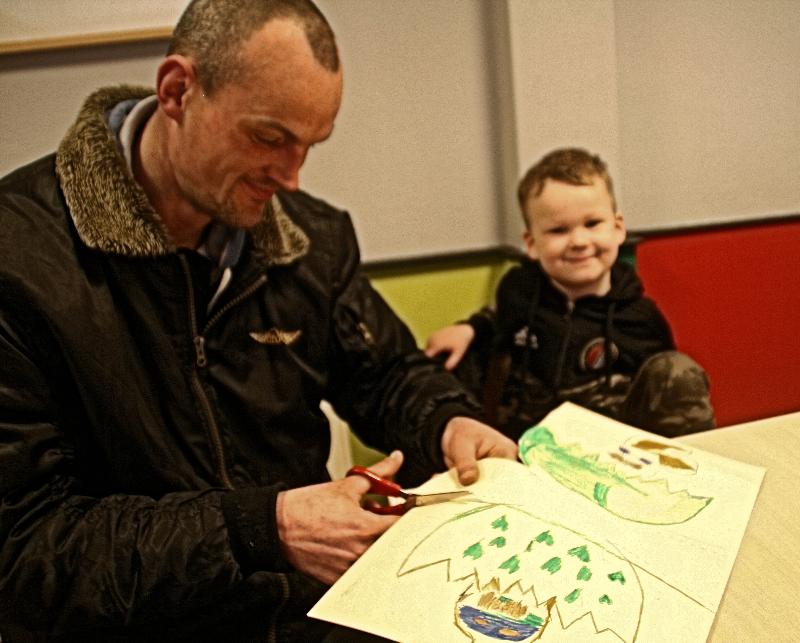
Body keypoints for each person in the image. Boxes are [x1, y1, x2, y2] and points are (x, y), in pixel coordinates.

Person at [0, 1, 517, 641]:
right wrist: (260, 530)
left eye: (310, 145)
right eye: (270, 138)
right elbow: (24, 550)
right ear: (177, 91)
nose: (293, 178)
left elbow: (384, 373)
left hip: (310, 612)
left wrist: (447, 422)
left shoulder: (310, 240)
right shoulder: (19, 261)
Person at [426, 148, 715, 441]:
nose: (579, 241)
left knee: (677, 370)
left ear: (617, 229)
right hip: (522, 447)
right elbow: (499, 321)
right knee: (437, 366)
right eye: (558, 230)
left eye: (592, 224)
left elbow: (659, 398)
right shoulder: (518, 290)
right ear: (531, 244)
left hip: (613, 454)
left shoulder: (640, 319)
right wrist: (469, 328)